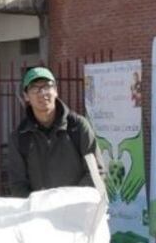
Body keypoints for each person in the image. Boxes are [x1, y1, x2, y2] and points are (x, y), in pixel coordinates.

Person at [8, 66, 100, 196]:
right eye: (35, 88)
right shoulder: (19, 137)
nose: (42, 93)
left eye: (47, 86)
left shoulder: (78, 126)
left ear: (56, 90)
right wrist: (39, 206)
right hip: (40, 213)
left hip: (78, 210)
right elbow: (18, 185)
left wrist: (70, 200)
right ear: (26, 96)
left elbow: (96, 172)